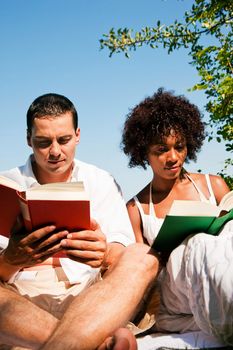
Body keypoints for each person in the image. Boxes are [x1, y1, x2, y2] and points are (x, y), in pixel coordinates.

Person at [0, 93, 160, 350]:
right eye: (43, 142)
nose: (55, 152)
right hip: (19, 302)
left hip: (90, 299)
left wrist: (104, 254)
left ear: (77, 135)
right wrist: (9, 260)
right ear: (28, 139)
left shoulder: (101, 181)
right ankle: (93, 345)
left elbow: (119, 255)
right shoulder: (6, 186)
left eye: (63, 140)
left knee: (143, 256)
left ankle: (66, 342)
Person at [121, 88, 233, 345]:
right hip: (174, 295)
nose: (173, 157)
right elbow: (138, 272)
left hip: (218, 277)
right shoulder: (137, 208)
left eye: (179, 147)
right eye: (161, 149)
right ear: (143, 153)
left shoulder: (213, 186)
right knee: (197, 245)